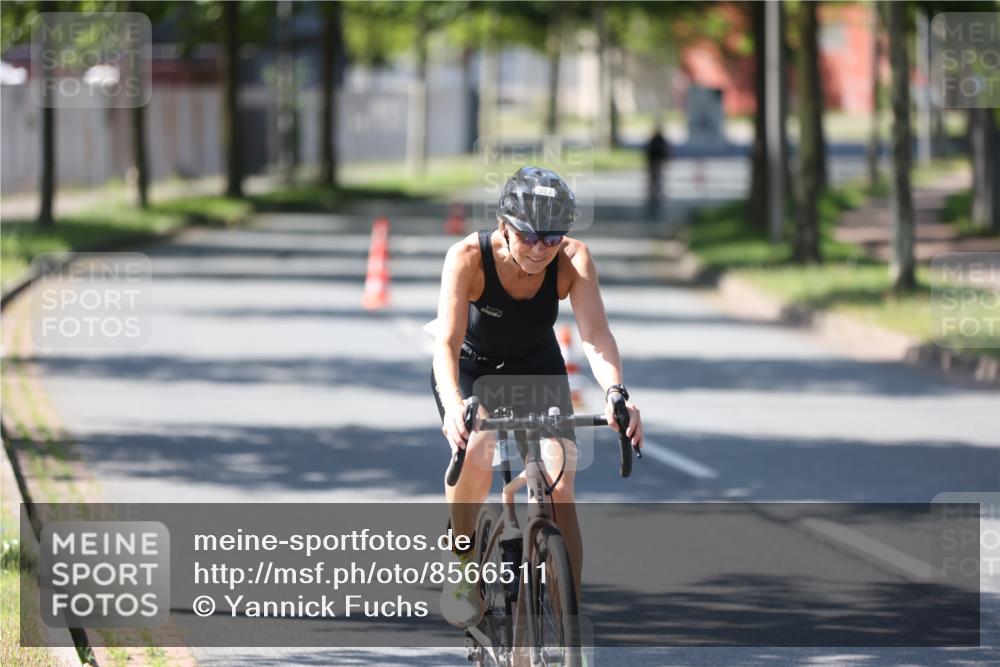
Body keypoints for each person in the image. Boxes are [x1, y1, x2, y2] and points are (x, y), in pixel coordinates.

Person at [430, 166, 643, 627]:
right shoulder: (467, 256)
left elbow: (596, 336)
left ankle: (568, 620)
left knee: (560, 485)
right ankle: (465, 564)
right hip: (472, 370)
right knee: (479, 449)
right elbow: (445, 344)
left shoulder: (573, 259)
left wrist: (615, 391)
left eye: (552, 238)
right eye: (529, 237)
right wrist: (452, 407)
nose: (541, 249)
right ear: (505, 225)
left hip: (537, 368)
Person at [645, 119, 670, 219]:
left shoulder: (658, 140)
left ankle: (655, 194)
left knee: (656, 179)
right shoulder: (656, 140)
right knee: (655, 179)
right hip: (654, 162)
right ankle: (653, 194)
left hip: (656, 162)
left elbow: (664, 151)